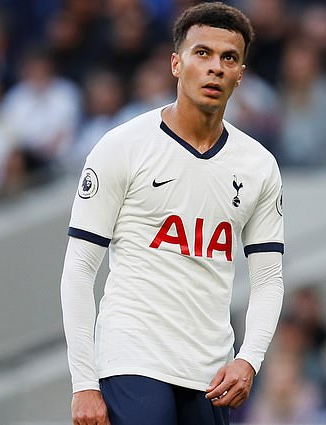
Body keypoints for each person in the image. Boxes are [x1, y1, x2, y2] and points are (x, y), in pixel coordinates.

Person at [60, 3, 285, 425]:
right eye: (202, 53)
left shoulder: (258, 165)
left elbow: (269, 277)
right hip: (132, 356)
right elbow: (79, 268)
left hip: (210, 369)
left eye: (229, 58)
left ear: (240, 74)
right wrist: (84, 382)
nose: (215, 67)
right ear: (176, 64)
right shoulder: (122, 146)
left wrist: (249, 359)